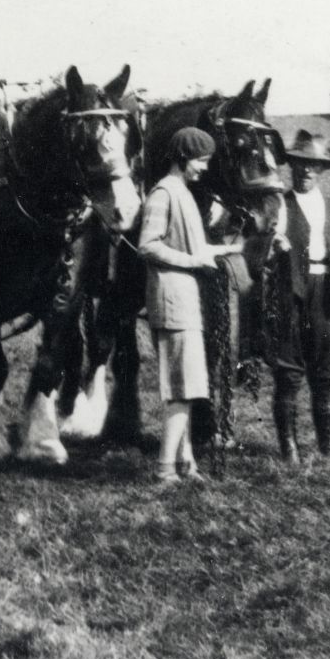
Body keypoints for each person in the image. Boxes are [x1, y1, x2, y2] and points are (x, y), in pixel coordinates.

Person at [138, 127, 242, 484]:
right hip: (172, 301)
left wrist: (230, 250)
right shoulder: (163, 194)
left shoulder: (182, 191)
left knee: (189, 386)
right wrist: (194, 262)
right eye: (201, 160)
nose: (204, 168)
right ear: (183, 158)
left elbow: (195, 251)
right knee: (182, 390)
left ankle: (186, 463)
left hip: (184, 300)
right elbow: (147, 246)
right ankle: (167, 469)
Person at [270, 130, 330, 466]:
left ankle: (329, 448)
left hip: (328, 292)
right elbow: (258, 252)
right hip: (290, 293)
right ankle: (290, 451)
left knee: (325, 374)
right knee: (288, 372)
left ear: (322, 170)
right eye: (300, 164)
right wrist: (275, 246)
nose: (306, 171)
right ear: (292, 167)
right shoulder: (278, 206)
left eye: (313, 165)